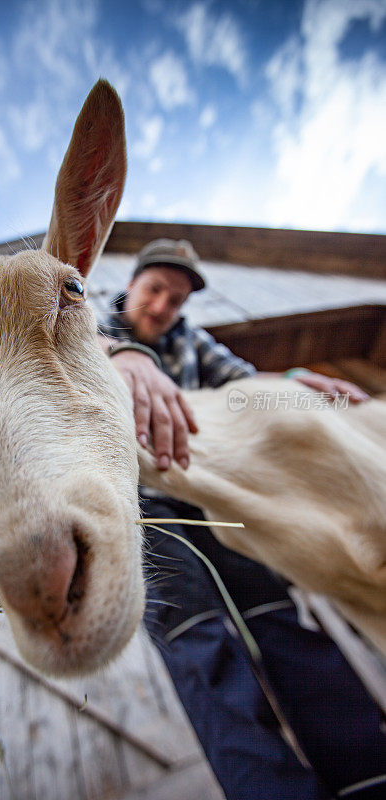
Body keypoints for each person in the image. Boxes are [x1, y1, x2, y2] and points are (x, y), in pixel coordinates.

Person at [98, 239, 385, 800]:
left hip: (220, 498)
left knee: (277, 618)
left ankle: (368, 777)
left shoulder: (194, 343)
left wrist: (298, 380)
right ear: (131, 285)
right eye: (155, 291)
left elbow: (244, 388)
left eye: (175, 300)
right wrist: (125, 356)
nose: (161, 308)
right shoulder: (89, 323)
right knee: (197, 643)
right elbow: (66, 351)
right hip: (141, 509)